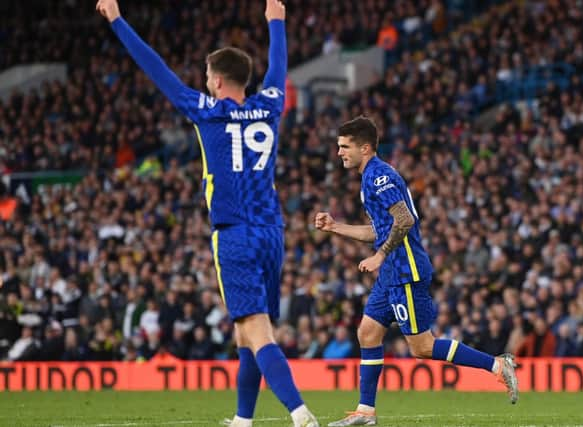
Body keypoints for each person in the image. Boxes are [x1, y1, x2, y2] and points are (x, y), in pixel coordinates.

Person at [95, 1, 319, 426]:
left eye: (206, 78)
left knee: (255, 329)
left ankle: (299, 412)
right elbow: (279, 66)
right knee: (246, 331)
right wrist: (277, 22)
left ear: (216, 82)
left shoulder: (207, 111)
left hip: (234, 233)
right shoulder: (271, 104)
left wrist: (118, 21)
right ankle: (242, 419)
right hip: (272, 231)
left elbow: (155, 67)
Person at [315, 116, 518, 426]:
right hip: (391, 273)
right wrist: (336, 228)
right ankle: (366, 412)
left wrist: (381, 256)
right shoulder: (370, 175)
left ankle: (497, 365)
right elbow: (381, 230)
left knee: (422, 347)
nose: (340, 152)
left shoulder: (379, 176)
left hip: (404, 271)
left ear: (365, 147)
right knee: (367, 333)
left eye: (345, 146)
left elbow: (405, 220)